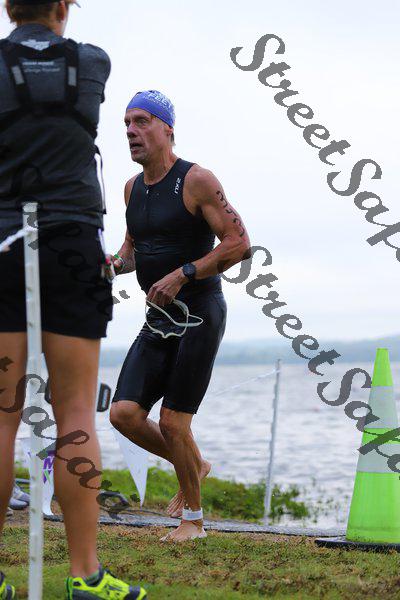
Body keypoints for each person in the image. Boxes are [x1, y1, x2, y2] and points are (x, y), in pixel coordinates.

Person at [0, 1, 147, 598]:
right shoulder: (91, 62)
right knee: (76, 412)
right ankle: (85, 575)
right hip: (72, 245)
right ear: (64, 6)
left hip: (3, 241)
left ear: (7, 6)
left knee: (1, 413)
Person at [109, 90, 251, 543]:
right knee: (123, 414)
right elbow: (132, 251)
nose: (131, 131)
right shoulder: (132, 188)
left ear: (167, 129)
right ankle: (194, 463)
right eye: (127, 123)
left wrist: (183, 273)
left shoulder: (196, 180)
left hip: (200, 314)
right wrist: (110, 265)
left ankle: (193, 521)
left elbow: (239, 242)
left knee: (173, 423)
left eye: (142, 121)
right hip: (157, 319)